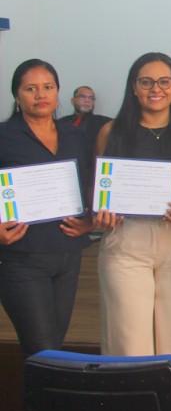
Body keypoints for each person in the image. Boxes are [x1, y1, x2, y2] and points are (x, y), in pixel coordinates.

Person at [92, 52, 171, 393]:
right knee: (128, 343)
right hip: (126, 241)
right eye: (146, 82)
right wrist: (103, 211)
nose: (156, 89)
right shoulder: (111, 131)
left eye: (164, 81)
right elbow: (100, 189)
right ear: (134, 88)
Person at [0, 60, 93, 355]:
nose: (41, 94)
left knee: (54, 349)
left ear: (57, 92)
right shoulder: (4, 136)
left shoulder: (75, 135)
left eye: (48, 87)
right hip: (21, 257)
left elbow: (89, 185)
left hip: (67, 254)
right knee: (41, 350)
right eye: (31, 88)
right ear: (17, 95)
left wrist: (90, 221)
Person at [57, 85, 112, 150]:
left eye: (91, 98)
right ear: (73, 101)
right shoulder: (61, 123)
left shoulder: (104, 123)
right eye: (82, 97)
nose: (87, 101)